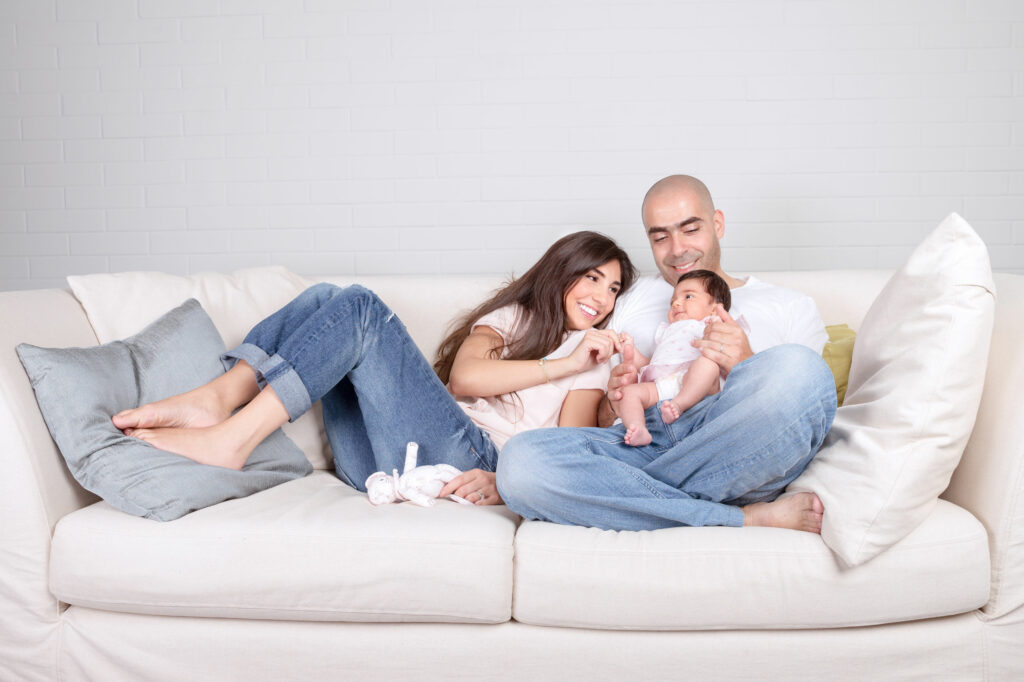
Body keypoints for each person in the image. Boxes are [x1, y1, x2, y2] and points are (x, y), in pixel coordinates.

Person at [112, 231, 637, 506]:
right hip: (380, 456)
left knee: (360, 307)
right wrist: (558, 362)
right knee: (327, 298)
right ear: (561, 274)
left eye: (612, 288)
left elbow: (560, 451)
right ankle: (218, 399)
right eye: (591, 278)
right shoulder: (518, 319)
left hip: (461, 463)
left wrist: (508, 482)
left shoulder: (590, 357)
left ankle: (229, 435)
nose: (600, 297)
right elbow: (465, 379)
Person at [496, 175, 837, 532]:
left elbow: (812, 414)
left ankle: (629, 499)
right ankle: (738, 515)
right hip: (641, 443)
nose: (676, 249)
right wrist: (615, 398)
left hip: (728, 443)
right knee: (520, 463)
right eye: (660, 237)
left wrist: (745, 362)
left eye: (690, 229)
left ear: (717, 223)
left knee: (802, 369)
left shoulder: (789, 305)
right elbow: (596, 415)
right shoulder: (626, 296)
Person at [617, 269, 736, 447]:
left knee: (707, 364)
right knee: (628, 393)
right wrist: (630, 349)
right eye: (673, 301)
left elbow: (732, 358)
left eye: (688, 297)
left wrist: (717, 324)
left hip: (698, 385)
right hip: (662, 385)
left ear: (715, 308)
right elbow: (651, 365)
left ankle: (679, 404)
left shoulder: (712, 325)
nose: (676, 303)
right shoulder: (666, 331)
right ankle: (638, 428)